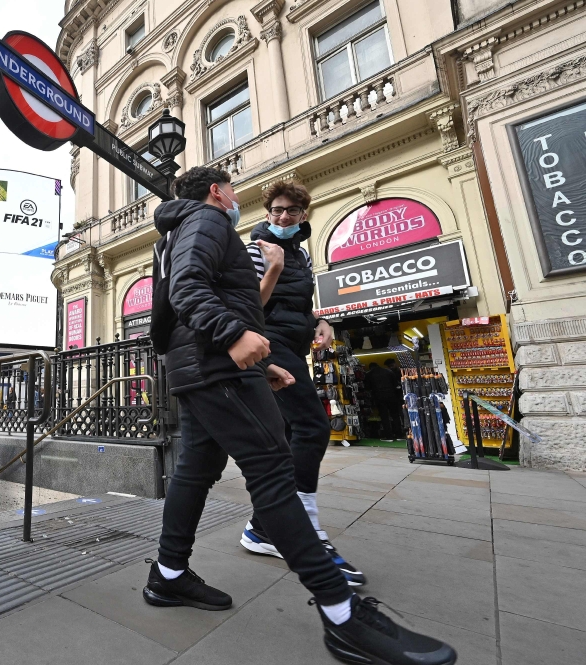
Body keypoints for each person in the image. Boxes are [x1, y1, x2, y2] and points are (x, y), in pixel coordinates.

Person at [143, 166, 455, 665]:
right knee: (272, 469)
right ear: (218, 191)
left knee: (197, 467)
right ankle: (341, 613)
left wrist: (260, 361)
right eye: (235, 190)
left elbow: (202, 298)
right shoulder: (208, 218)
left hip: (206, 364)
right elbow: (188, 289)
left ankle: (169, 575)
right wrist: (233, 338)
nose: (239, 199)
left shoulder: (182, 227)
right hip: (216, 363)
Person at [239, 180, 365, 586]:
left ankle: (263, 526)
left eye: (291, 211)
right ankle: (302, 528)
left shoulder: (302, 254)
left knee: (293, 432)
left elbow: (299, 305)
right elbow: (247, 308)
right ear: (266, 212)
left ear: (303, 215)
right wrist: (272, 267)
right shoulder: (257, 250)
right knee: (313, 426)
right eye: (276, 209)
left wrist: (322, 321)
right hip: (268, 345)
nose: (282, 217)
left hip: (296, 345)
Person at [366, 361, 402, 441]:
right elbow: (396, 385)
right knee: (395, 415)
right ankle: (399, 435)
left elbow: (368, 387)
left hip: (379, 397)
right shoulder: (389, 371)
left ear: (371, 367)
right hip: (392, 396)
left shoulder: (369, 374)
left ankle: (389, 436)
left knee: (384, 416)